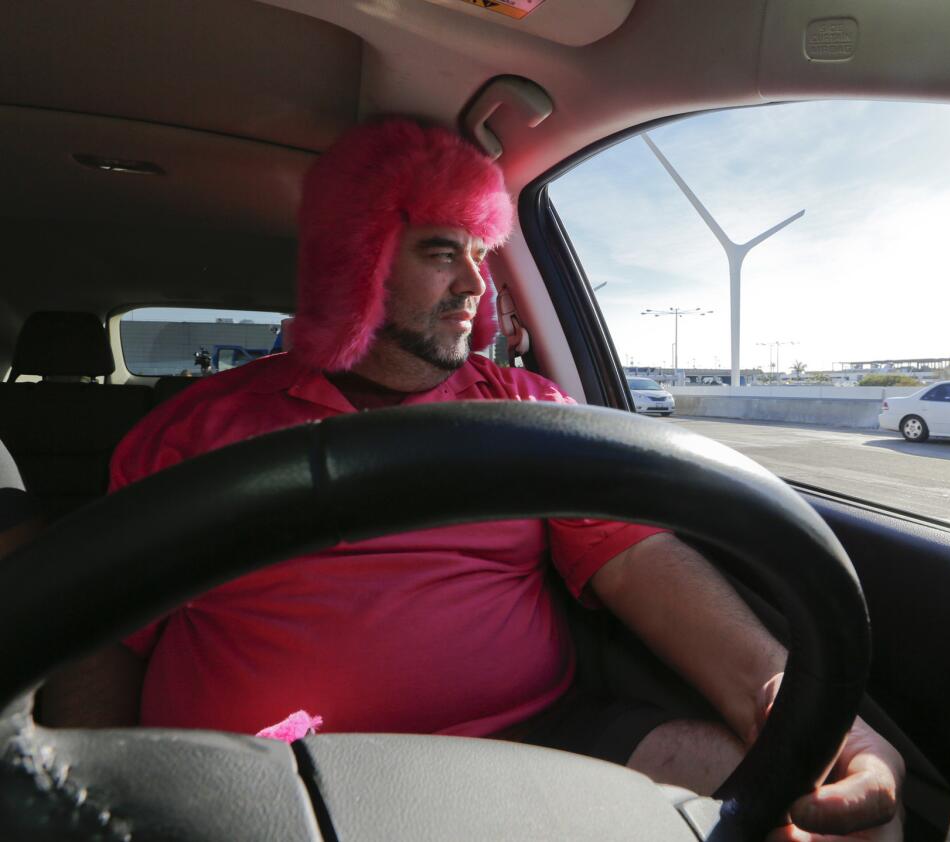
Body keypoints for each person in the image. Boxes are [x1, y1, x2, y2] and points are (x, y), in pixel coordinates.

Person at [40, 119, 903, 841]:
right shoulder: (195, 428)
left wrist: (802, 708)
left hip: (532, 744)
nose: (474, 285)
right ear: (359, 260)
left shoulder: (528, 404)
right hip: (251, 773)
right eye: (440, 251)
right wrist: (78, 793)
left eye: (481, 253)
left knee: (836, 821)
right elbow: (110, 637)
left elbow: (639, 557)